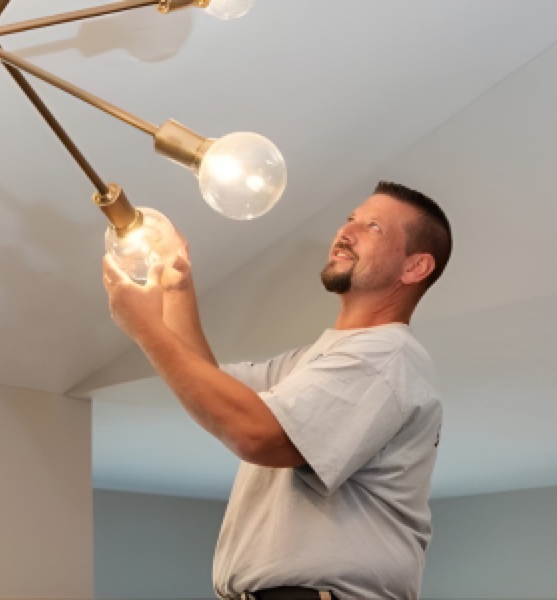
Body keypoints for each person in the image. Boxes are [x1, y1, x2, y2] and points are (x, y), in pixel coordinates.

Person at [101, 181, 452, 600]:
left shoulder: (387, 357)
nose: (346, 232)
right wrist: (176, 285)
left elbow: (255, 434)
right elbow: (211, 389)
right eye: (350, 220)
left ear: (414, 268)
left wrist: (145, 329)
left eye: (373, 227)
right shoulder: (311, 364)